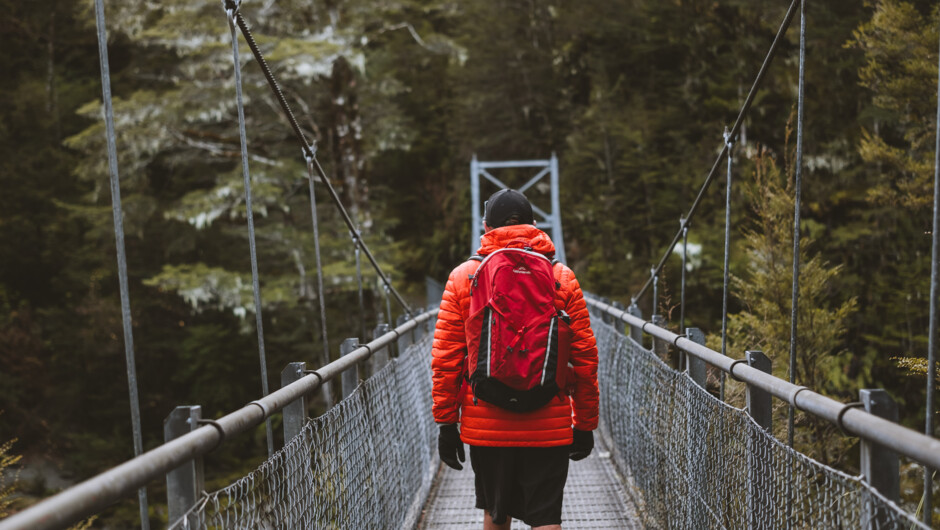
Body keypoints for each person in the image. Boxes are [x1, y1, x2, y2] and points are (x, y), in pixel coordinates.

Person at [431, 188, 600, 530]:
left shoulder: (463, 277)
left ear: (485, 226)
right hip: (548, 420)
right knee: (546, 518)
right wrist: (584, 423)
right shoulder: (561, 277)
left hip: (486, 422)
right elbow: (585, 358)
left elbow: (446, 359)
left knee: (496, 514)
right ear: (535, 225)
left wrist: (447, 423)